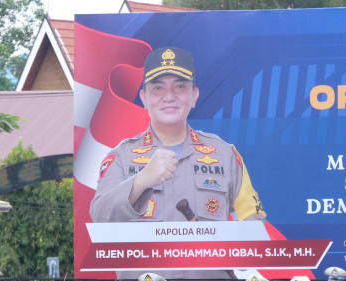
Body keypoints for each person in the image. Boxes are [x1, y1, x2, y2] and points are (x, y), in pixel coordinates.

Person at [90, 46, 264, 224]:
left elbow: (253, 220)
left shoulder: (224, 154)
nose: (169, 96)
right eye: (158, 87)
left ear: (194, 96)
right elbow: (99, 216)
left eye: (180, 86)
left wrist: (223, 250)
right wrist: (140, 181)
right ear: (144, 98)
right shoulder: (121, 156)